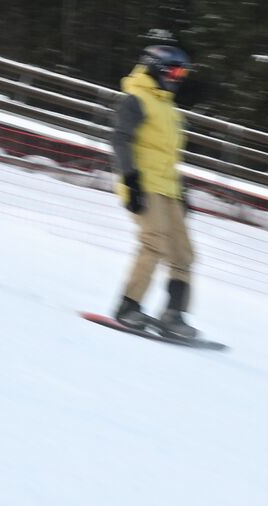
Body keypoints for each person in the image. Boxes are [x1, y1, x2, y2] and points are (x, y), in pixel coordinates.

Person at [109, 44, 198, 339]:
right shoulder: (136, 99)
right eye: (174, 71)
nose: (178, 77)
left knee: (183, 253)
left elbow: (169, 156)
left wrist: (182, 192)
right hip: (143, 184)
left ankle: (174, 315)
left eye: (181, 73)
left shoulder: (169, 109)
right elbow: (121, 141)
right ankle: (128, 306)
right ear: (156, 68)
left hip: (168, 188)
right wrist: (131, 181)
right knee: (153, 243)